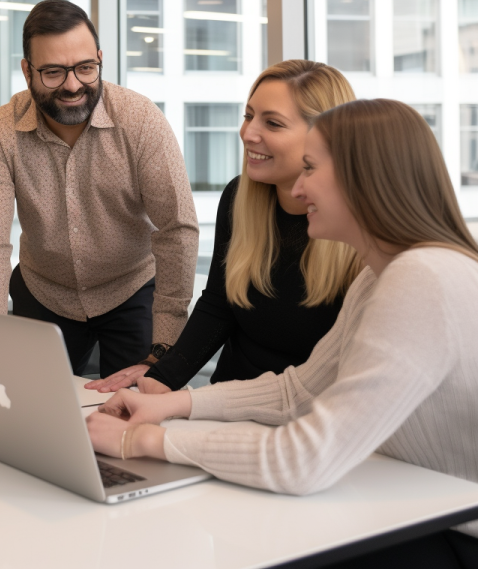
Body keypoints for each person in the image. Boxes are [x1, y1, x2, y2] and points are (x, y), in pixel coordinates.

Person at [87, 99, 478, 567]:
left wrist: (143, 443)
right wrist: (170, 405)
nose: (299, 185)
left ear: (362, 180)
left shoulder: (421, 279)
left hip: (454, 532)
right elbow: (300, 392)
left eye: (311, 168)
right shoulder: (381, 275)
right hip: (415, 505)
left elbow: (304, 459)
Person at [0, 0, 198, 377]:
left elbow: (177, 230)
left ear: (100, 59)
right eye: (53, 72)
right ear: (27, 71)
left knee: (134, 416)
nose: (73, 85)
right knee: (31, 412)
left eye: (86, 68)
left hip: (131, 290)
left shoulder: (141, 121)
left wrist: (165, 342)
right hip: (44, 291)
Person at [86, 60, 359, 394]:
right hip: (226, 400)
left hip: (311, 417)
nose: (248, 133)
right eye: (248, 116)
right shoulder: (238, 198)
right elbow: (220, 305)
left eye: (272, 123)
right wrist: (159, 378)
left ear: (323, 137)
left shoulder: (361, 231)